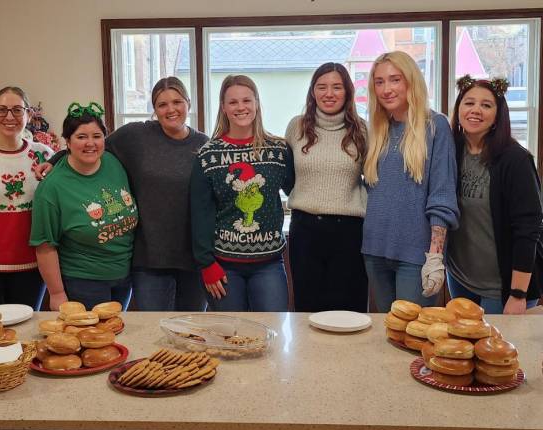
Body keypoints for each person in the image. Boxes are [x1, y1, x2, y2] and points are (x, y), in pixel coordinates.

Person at [36, 77, 209, 311]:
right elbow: (94, 144)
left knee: (192, 331)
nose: (171, 109)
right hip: (149, 260)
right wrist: (54, 160)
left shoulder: (204, 145)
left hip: (192, 260)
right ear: (154, 109)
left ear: (188, 103)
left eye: (177, 101)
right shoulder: (136, 136)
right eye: (162, 104)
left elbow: (211, 198)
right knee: (151, 331)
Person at [361, 51, 459, 312]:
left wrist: (435, 256)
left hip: (417, 255)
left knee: (413, 337)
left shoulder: (435, 126)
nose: (386, 89)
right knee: (386, 333)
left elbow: (442, 195)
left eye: (395, 80)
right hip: (374, 250)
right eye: (379, 82)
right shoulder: (377, 130)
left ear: (411, 81)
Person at [190, 74, 293, 311]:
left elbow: (298, 190)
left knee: (272, 334)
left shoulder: (278, 150)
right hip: (223, 267)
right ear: (224, 108)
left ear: (256, 104)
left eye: (247, 100)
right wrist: (206, 264)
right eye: (233, 102)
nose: (241, 107)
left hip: (269, 263)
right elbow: (200, 214)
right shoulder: (208, 154)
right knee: (229, 340)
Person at [446, 75, 542, 314]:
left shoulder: (516, 160)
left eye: (486, 105)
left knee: (501, 351)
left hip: (503, 287)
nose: (475, 110)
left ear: (498, 115)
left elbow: (528, 229)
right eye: (469, 103)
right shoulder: (450, 151)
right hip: (459, 277)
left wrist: (518, 294)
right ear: (458, 108)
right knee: (463, 347)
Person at [30, 103, 138, 311]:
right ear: (68, 142)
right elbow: (44, 246)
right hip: (83, 281)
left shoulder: (113, 163)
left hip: (124, 277)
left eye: (97, 136)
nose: (90, 143)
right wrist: (57, 293)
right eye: (81, 137)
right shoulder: (52, 188)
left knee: (114, 337)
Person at [285, 62, 368, 312]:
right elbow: (287, 176)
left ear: (348, 92)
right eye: (321, 87)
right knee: (307, 310)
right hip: (305, 231)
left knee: (349, 310)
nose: (328, 94)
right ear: (313, 92)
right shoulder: (296, 127)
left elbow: (374, 178)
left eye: (336, 87)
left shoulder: (362, 130)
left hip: (350, 234)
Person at [0, 86, 53, 311]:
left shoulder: (44, 155)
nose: (9, 117)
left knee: (26, 338)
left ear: (29, 114)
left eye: (17, 110)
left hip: (31, 266)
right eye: (2, 110)